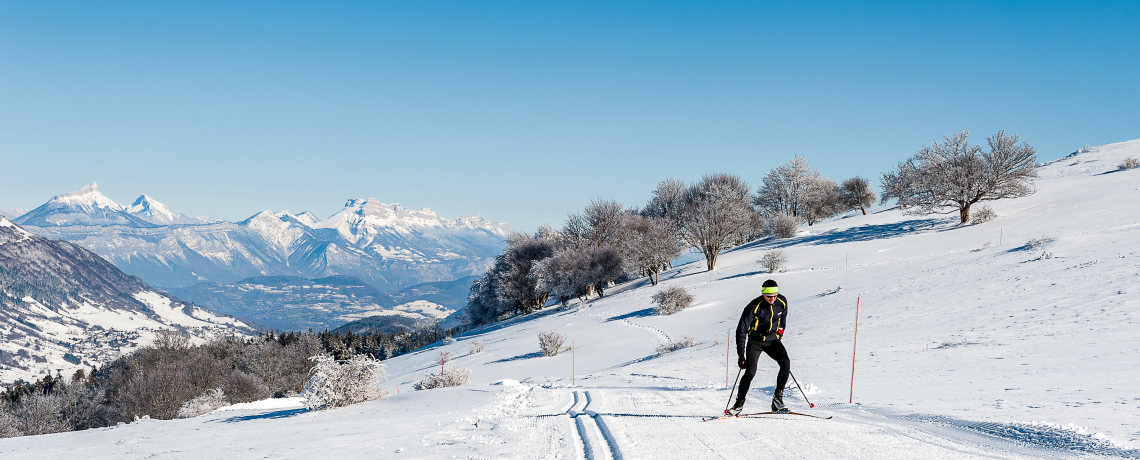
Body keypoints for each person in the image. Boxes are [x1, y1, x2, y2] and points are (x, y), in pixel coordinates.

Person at [728, 279, 791, 416]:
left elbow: (782, 320)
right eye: (769, 296)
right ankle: (739, 404)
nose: (772, 298)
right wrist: (741, 355)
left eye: (775, 295)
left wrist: (780, 333)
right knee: (750, 372)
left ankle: (777, 400)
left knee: (785, 363)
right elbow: (741, 331)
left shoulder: (782, 302)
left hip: (772, 340)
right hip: (755, 342)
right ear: (763, 294)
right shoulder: (753, 306)